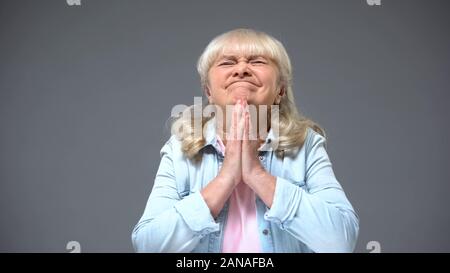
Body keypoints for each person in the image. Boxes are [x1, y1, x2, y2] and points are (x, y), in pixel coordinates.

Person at [131, 28, 359, 253]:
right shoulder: (181, 148)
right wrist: (226, 176)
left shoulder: (305, 145)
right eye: (227, 63)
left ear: (280, 89)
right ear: (209, 90)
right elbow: (149, 246)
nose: (241, 69)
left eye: (258, 61)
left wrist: (256, 174)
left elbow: (340, 242)